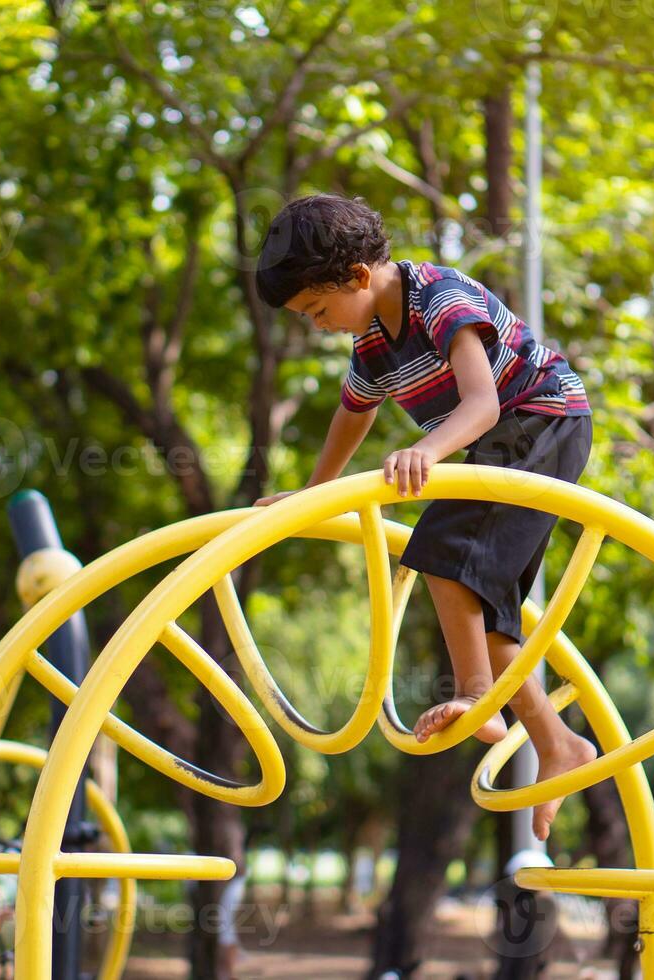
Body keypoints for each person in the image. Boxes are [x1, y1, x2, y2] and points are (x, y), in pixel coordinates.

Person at [254, 193, 598, 840]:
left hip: (542, 418)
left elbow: (483, 404)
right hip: (504, 441)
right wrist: (310, 494)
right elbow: (353, 415)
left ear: (359, 277)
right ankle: (557, 743)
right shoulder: (371, 342)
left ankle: (476, 697)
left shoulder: (437, 297)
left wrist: (427, 449)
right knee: (481, 601)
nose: (319, 325)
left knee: (444, 555)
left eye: (319, 310)